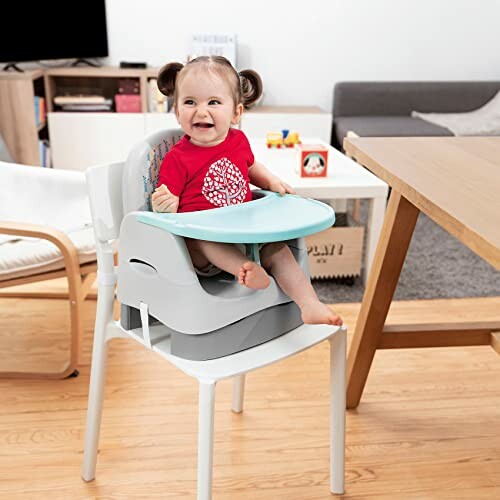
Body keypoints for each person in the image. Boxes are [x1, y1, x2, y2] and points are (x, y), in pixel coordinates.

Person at [151, 56, 342, 327]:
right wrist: (164, 204)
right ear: (177, 111)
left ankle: (308, 302)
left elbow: (251, 167)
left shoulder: (238, 141)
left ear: (236, 113)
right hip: (203, 246)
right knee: (205, 241)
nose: (201, 111)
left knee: (279, 250)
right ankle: (243, 269)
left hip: (247, 232)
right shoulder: (177, 158)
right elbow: (166, 204)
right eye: (190, 102)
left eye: (213, 102)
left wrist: (271, 182)